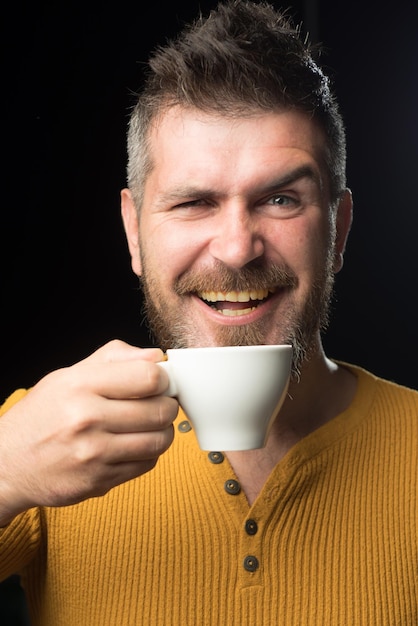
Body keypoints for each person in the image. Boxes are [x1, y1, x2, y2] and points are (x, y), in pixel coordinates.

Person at [0, 1, 417, 624]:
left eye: (280, 199)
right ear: (134, 235)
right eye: (194, 202)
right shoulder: (36, 437)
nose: (236, 248)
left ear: (339, 230)